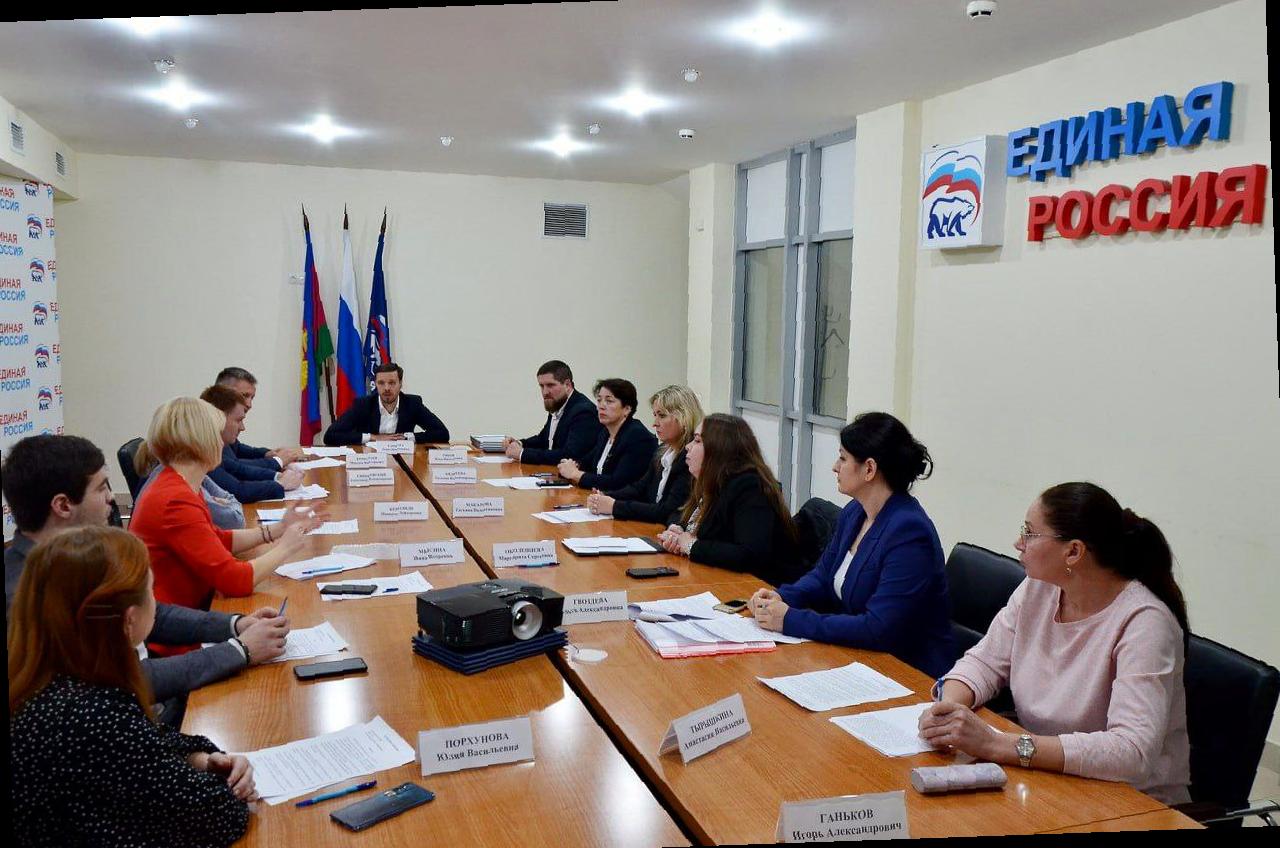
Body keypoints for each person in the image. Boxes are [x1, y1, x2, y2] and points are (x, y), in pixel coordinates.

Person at [919, 482, 1191, 805]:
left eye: (1029, 533)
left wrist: (998, 745)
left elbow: (1131, 752)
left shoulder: (1145, 623)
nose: (1018, 543)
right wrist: (948, 711)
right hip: (1046, 779)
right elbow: (985, 661)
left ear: (1073, 552)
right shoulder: (1040, 588)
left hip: (1132, 803)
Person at [2, 434, 288, 717]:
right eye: (101, 488)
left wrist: (235, 625)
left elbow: (154, 614)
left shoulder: (81, 554)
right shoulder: (26, 596)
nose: (112, 498)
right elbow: (123, 679)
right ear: (63, 506)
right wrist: (239, 651)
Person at [10, 526, 254, 846]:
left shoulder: (52, 678)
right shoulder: (94, 715)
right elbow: (219, 817)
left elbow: (152, 739)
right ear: (129, 620)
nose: (156, 601)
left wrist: (200, 758)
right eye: (151, 591)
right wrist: (230, 784)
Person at [750, 412, 954, 677]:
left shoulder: (909, 533)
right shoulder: (854, 513)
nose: (835, 467)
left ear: (869, 469)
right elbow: (823, 576)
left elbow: (878, 628)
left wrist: (790, 619)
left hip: (906, 673)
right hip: (858, 659)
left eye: (843, 458)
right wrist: (782, 597)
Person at [129, 398, 324, 646]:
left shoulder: (179, 483)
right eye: (216, 434)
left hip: (194, 617)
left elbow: (217, 538)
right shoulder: (174, 499)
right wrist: (285, 547)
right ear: (201, 441)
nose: (223, 443)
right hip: (175, 638)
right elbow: (234, 581)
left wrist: (278, 529)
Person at [657, 413, 804, 586]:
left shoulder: (750, 487)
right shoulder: (712, 481)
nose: (688, 447)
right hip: (720, 578)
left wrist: (691, 546)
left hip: (759, 587)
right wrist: (677, 530)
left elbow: (750, 554)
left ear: (719, 449)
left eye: (697, 441)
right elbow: (679, 513)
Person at [586, 384, 702, 523]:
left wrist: (614, 506)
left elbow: (667, 511)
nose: (655, 424)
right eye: (655, 415)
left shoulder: (690, 458)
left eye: (662, 416)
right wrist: (607, 496)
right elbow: (640, 488)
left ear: (684, 417)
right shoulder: (663, 451)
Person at [198, 384, 304, 503]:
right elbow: (237, 491)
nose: (242, 428)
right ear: (218, 418)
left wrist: (276, 475)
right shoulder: (202, 451)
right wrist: (281, 484)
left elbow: (239, 469)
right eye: (238, 420)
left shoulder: (215, 446)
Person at [556, 378, 657, 491]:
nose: (601, 406)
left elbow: (618, 483)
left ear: (627, 409)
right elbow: (586, 462)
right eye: (599, 400)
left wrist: (575, 474)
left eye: (609, 401)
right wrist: (572, 466)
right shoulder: (605, 432)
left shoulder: (638, 437)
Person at [503, 360, 603, 465]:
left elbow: (570, 455)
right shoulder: (558, 403)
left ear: (567, 385)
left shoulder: (583, 412)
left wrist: (522, 454)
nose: (545, 392)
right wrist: (519, 443)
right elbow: (544, 439)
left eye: (550, 385)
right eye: (541, 386)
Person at [323, 362, 449, 445]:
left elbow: (442, 433)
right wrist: (372, 437)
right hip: (370, 461)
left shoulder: (412, 404)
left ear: (400, 383)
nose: (387, 388)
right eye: (381, 383)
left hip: (403, 462)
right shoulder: (363, 405)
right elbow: (330, 436)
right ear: (376, 384)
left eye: (392, 383)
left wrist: (407, 437)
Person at [215, 366, 305, 465]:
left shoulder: (222, 418)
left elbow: (237, 449)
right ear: (224, 393)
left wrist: (267, 453)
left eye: (252, 398)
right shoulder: (209, 424)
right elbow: (234, 466)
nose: (249, 405)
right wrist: (277, 461)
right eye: (244, 395)